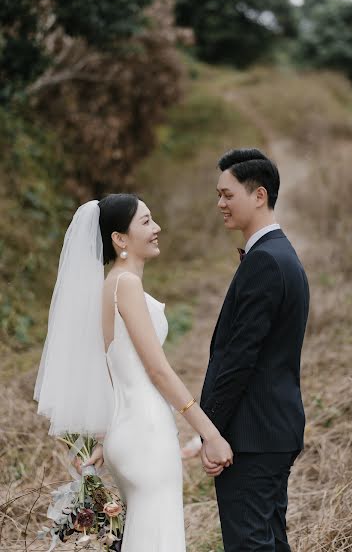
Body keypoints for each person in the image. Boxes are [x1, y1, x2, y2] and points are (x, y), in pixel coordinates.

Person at [34, 194, 233, 552]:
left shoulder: (110, 285)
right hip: (147, 434)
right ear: (119, 239)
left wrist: (103, 437)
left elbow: (112, 371)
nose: (156, 229)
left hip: (123, 435)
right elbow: (156, 370)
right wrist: (209, 433)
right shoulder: (126, 285)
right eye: (145, 222)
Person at [199, 148, 310, 552]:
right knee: (268, 542)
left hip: (254, 434)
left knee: (251, 544)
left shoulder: (266, 261)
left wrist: (208, 429)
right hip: (269, 430)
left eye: (227, 195)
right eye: (218, 195)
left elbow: (238, 357)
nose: (220, 204)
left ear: (258, 195)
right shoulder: (278, 254)